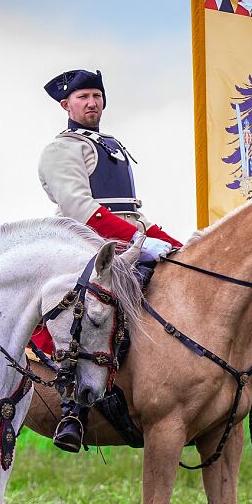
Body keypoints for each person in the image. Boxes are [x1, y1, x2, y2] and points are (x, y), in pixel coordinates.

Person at [35, 68, 182, 451]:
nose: (92, 103)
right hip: (84, 244)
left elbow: (132, 210)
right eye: (83, 97)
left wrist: (170, 243)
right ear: (66, 104)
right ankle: (72, 410)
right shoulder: (62, 149)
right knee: (87, 308)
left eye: (97, 96)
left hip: (125, 240)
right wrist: (137, 239)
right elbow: (79, 207)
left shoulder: (113, 146)